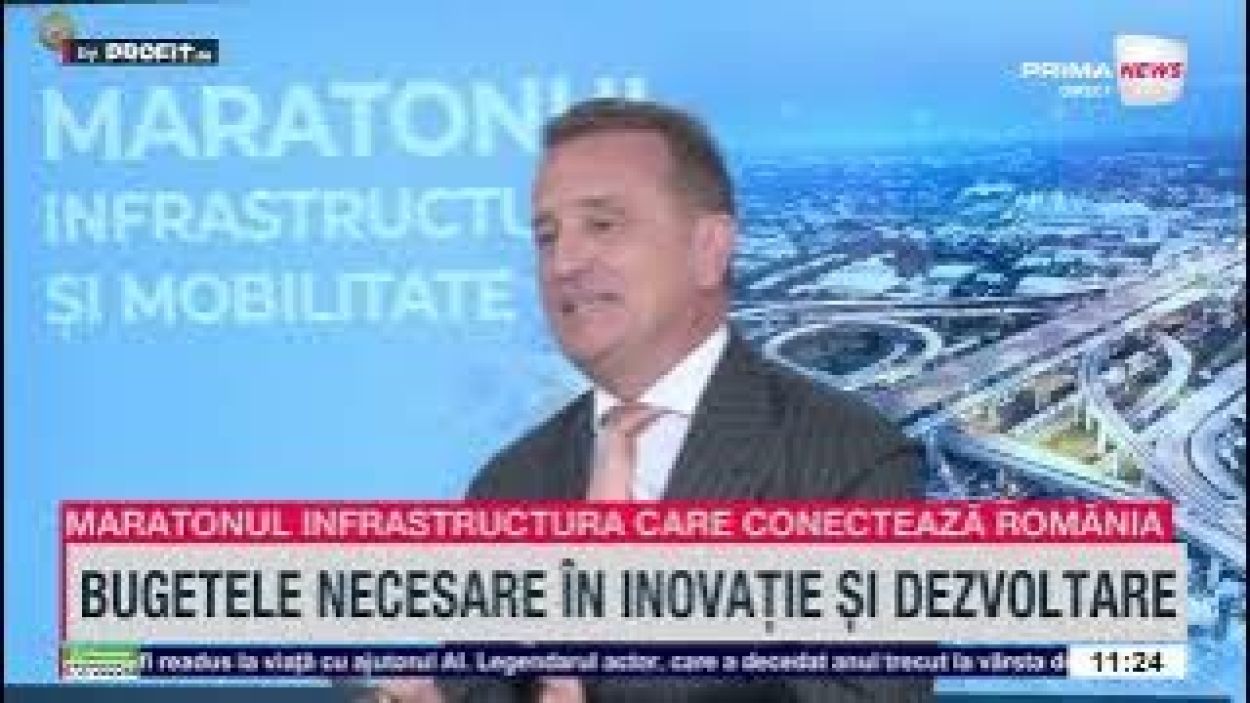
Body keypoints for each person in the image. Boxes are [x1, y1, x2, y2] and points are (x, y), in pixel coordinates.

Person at [368, 97, 932, 703]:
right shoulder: (507, 485)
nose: (563, 262)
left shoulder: (851, 461)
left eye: (602, 224)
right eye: (546, 236)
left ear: (709, 249)